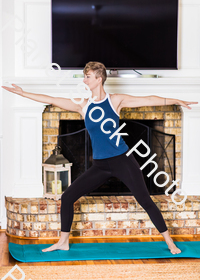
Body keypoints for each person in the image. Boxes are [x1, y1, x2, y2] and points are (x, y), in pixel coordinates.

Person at [2, 61, 198, 255]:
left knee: (145, 200)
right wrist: (23, 93)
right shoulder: (83, 106)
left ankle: (170, 242)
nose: (84, 79)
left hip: (123, 161)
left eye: (88, 76)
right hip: (101, 165)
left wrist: (176, 101)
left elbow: (148, 99)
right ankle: (63, 241)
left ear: (98, 79)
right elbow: (53, 99)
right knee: (68, 197)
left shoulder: (115, 101)